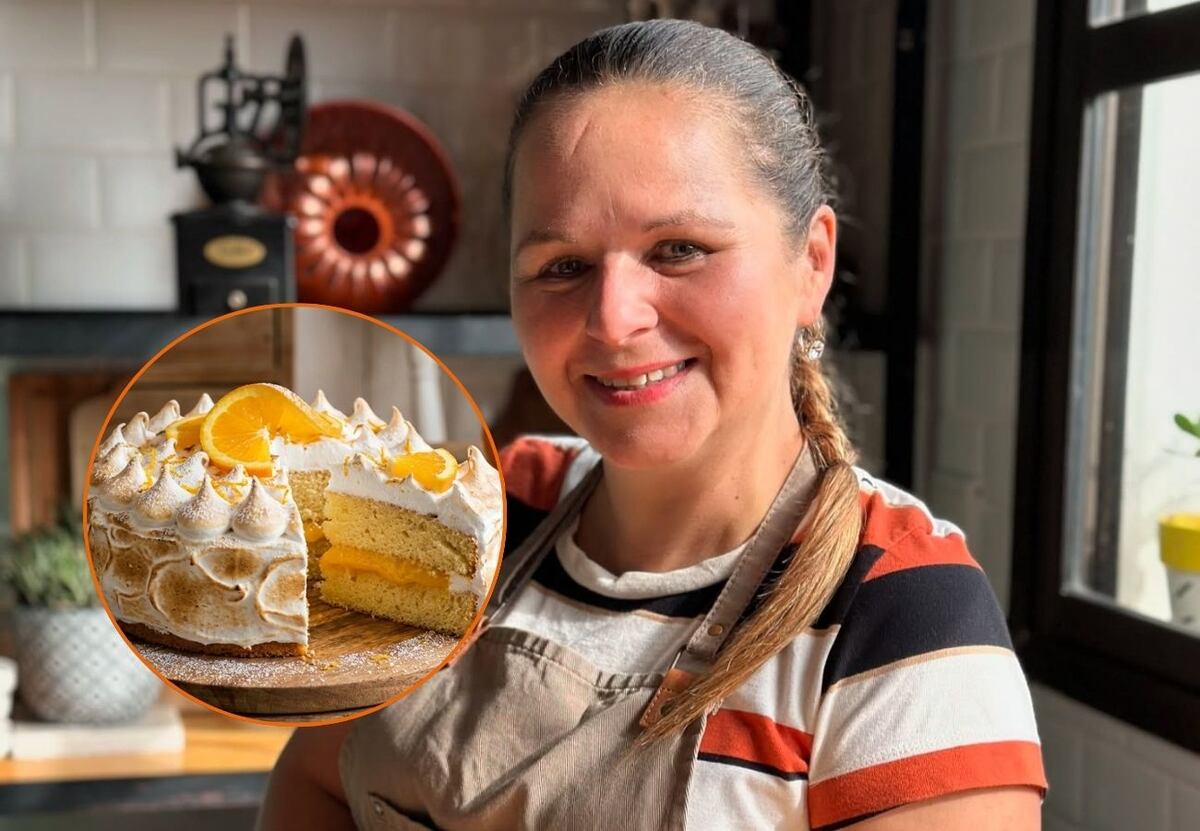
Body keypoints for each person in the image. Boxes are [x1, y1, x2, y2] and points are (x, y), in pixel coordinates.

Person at [259, 19, 1046, 830]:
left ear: (812, 263)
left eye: (679, 249)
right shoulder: (477, 514)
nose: (613, 317)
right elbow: (315, 778)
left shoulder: (902, 612)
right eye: (562, 265)